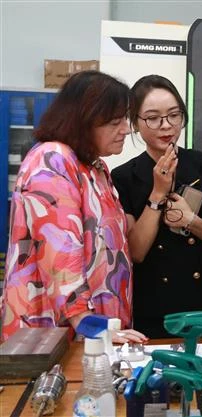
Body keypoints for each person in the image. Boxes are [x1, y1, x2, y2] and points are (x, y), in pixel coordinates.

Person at [1, 71, 146, 344]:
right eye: (116, 122)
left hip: (96, 331)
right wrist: (88, 322)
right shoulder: (53, 159)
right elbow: (60, 251)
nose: (126, 129)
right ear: (84, 121)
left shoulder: (96, 167)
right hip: (55, 333)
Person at [111, 75, 202, 338]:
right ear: (135, 122)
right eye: (153, 118)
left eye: (174, 115)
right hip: (155, 308)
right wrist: (157, 194)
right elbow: (135, 252)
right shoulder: (123, 177)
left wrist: (191, 221)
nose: (165, 125)